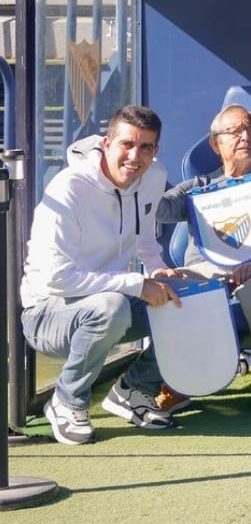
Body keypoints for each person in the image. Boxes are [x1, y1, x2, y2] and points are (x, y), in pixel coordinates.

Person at [21, 106, 182, 444]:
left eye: (146, 147)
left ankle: (133, 389)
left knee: (187, 302)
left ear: (155, 150)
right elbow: (57, 278)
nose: (135, 157)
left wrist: (157, 270)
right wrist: (137, 284)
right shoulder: (68, 188)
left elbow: (145, 239)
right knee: (111, 307)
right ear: (107, 144)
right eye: (127, 144)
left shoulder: (154, 176)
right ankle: (67, 401)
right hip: (46, 314)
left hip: (111, 302)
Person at [155, 104, 251, 421]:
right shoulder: (198, 188)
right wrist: (147, 176)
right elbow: (158, 210)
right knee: (166, 284)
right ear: (215, 145)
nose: (246, 136)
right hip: (203, 271)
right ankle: (178, 382)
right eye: (235, 131)